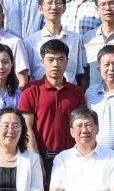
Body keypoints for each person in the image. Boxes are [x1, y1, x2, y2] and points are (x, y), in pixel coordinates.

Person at [18, 40, 87, 171]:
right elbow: (26, 128)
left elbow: (81, 126)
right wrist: (36, 159)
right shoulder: (31, 90)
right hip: (39, 156)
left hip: (71, 158)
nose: (55, 64)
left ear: (67, 61)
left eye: (60, 59)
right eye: (50, 59)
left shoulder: (77, 92)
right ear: (42, 62)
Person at [25, 0, 87, 85]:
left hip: (69, 92)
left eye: (58, 3)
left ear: (64, 8)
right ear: (40, 9)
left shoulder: (76, 39)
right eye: (49, 3)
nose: (54, 7)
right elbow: (27, 75)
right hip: (41, 92)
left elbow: (80, 75)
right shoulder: (31, 41)